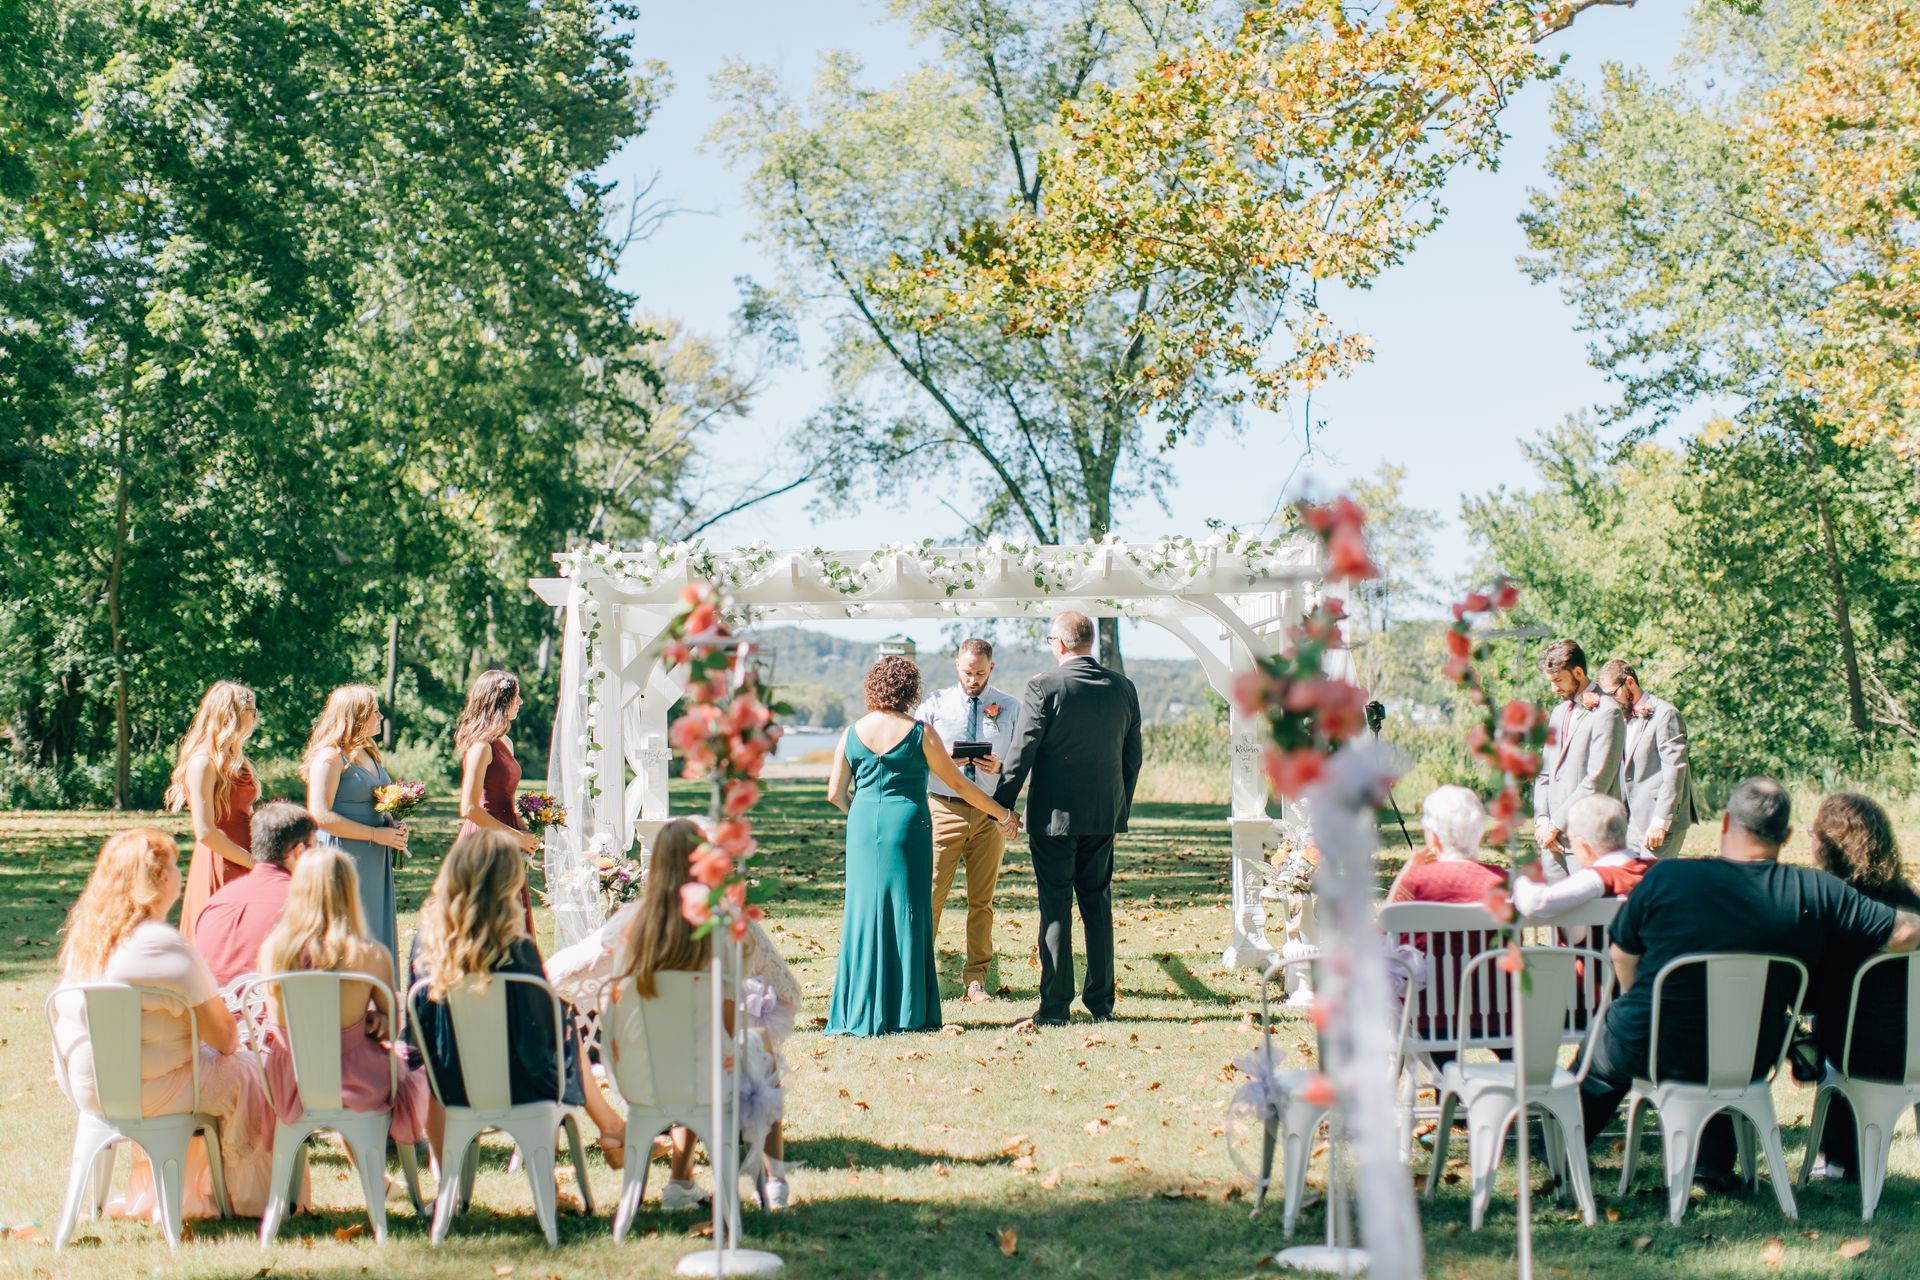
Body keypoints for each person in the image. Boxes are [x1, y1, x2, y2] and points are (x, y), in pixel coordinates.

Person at [1578, 778, 1920, 1192]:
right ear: (1787, 835)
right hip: (1752, 1052)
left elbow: (1622, 954)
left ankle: (1562, 1154)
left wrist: (1639, 1001)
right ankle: (1711, 1166)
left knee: (1606, 1047)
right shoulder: (1815, 891)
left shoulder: (1666, 876)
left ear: (1723, 822)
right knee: (1728, 1035)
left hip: (1652, 1046)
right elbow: (1905, 933)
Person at [49, 828, 277, 1219]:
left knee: (205, 1064)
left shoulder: (86, 940)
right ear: (158, 880)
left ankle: (176, 1190)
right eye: (173, 866)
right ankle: (249, 1198)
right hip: (150, 1088)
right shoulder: (160, 942)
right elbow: (225, 1038)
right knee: (249, 1070)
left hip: (92, 1088)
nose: (180, 875)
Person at [601, 819, 798, 1210]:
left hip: (641, 1077)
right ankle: (774, 1180)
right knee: (756, 1047)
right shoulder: (720, 929)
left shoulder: (629, 927)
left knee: (691, 1054)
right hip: (707, 1075)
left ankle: (679, 1180)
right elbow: (727, 1029)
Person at [406, 831, 626, 1168]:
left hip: (449, 1079)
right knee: (562, 1024)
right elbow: (538, 1026)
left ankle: (444, 1174)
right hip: (518, 1082)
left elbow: (418, 1024)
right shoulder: (516, 948)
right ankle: (608, 1128)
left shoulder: (425, 945)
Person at [825, 656, 1019, 1037]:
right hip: (909, 826)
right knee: (908, 913)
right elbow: (961, 786)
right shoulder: (920, 733)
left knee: (864, 914)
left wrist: (860, 816)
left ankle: (857, 1009)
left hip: (863, 826)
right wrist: (1002, 814)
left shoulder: (851, 732)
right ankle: (907, 1011)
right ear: (910, 691)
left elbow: (834, 792)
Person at [993, 611, 1143, 1028]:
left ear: (1058, 643)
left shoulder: (1044, 686)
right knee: (1097, 905)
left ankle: (1056, 1005)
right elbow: (1133, 757)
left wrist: (1002, 806)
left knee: (1055, 906)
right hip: (1102, 816)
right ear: (1090, 642)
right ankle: (1101, 1001)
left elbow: (1023, 750)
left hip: (1053, 819)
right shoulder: (1123, 688)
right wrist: (1119, 807)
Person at [255, 847, 429, 1148]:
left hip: (289, 1081)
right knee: (415, 1067)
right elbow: (392, 1028)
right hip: (357, 1081)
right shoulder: (369, 955)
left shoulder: (273, 950)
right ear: (350, 890)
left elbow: (275, 1019)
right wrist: (373, 1021)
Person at [1804, 794, 1920, 1181]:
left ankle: (1839, 1159)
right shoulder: (1910, 903)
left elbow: (1811, 994)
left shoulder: (1835, 907)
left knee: (1828, 1024)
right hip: (1914, 1048)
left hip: (1857, 1051)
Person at [914, 637, 1021, 1003]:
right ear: (956, 666)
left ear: (992, 667)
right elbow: (912, 755)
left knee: (982, 900)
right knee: (931, 895)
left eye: (979, 672)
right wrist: (944, 761)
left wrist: (1001, 765)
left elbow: (1024, 761)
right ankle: (920, 975)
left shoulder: (1010, 707)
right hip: (943, 807)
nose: (972, 679)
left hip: (989, 812)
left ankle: (976, 979)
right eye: (966, 672)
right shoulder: (933, 705)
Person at [303, 684, 408, 983]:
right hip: (345, 854)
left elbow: (377, 801)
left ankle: (378, 999)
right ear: (356, 716)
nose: (380, 716)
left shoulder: (368, 753)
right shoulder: (330, 758)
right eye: (375, 711)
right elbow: (319, 815)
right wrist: (375, 836)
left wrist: (392, 823)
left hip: (376, 855)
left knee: (374, 923)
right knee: (349, 927)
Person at [166, 681, 261, 943]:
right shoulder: (203, 763)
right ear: (229, 715)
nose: (256, 717)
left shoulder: (237, 760)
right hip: (223, 858)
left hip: (248, 855)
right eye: (250, 710)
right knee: (221, 941)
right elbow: (206, 832)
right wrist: (253, 863)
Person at [454, 669, 540, 940]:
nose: (521, 702)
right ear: (499, 701)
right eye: (516, 696)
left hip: (508, 831)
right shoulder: (481, 746)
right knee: (489, 918)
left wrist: (526, 824)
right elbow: (468, 807)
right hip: (486, 839)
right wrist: (516, 837)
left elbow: (505, 794)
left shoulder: (505, 741)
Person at [195, 801, 315, 987]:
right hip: (276, 1012)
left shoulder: (216, 901)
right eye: (313, 847)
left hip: (221, 1011)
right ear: (298, 851)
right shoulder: (304, 902)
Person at [1531, 640, 1623, 880]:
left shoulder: (1608, 712)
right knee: (1555, 914)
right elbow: (1545, 773)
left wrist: (1556, 824)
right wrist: (1542, 820)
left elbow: (1597, 780)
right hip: (1550, 841)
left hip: (1587, 837)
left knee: (1589, 914)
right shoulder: (1558, 712)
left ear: (1579, 673)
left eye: (1558, 680)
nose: (1553, 689)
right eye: (1550, 682)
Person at [1596, 660, 1695, 855]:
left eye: (1612, 694)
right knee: (1629, 884)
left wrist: (1661, 820)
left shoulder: (1665, 714)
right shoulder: (1616, 719)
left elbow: (1675, 769)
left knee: (1651, 883)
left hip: (1659, 823)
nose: (1610, 702)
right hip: (1628, 823)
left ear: (1630, 682)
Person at [1511, 794, 1655, 925]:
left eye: (1569, 839)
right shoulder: (1656, 870)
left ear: (1583, 846)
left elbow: (1534, 903)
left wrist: (1520, 879)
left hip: (1598, 953)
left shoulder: (1597, 878)